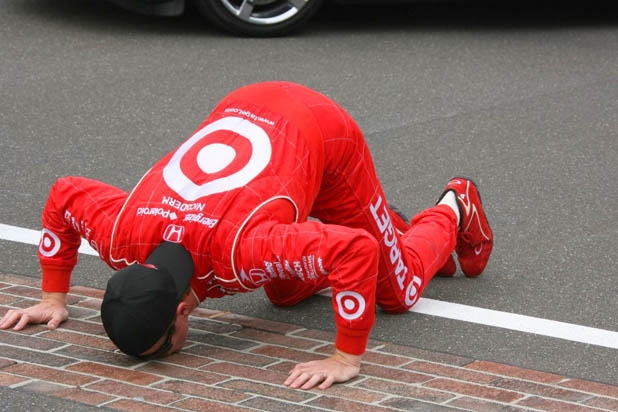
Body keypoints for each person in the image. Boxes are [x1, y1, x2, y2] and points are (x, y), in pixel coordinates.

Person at [0, 81, 493, 390]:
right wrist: (53, 297)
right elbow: (65, 194)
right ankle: (380, 221)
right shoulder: (121, 236)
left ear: (180, 314)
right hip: (245, 106)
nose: (179, 351)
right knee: (281, 291)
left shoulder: (240, 253)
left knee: (396, 290)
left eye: (171, 348)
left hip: (320, 130)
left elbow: (354, 249)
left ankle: (453, 206)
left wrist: (345, 357)